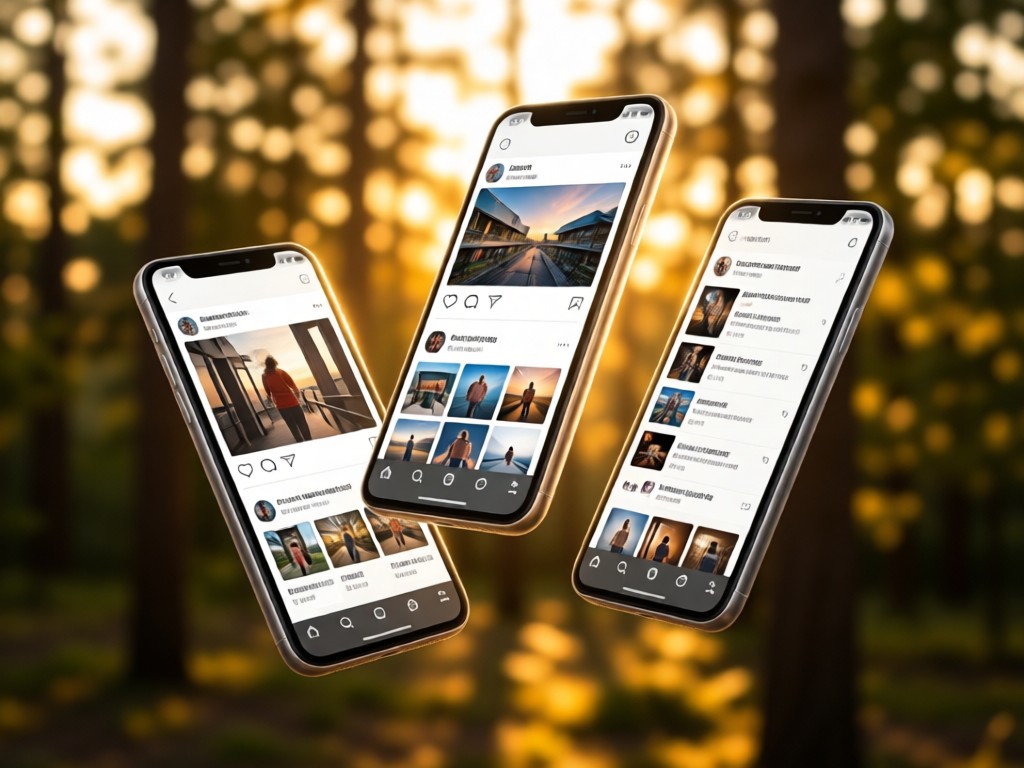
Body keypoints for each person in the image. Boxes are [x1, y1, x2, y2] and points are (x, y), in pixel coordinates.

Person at [262, 356, 312, 442]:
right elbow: (294, 386)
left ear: (266, 365)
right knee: (302, 423)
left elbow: (268, 391)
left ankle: (300, 441)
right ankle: (309, 440)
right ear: (275, 363)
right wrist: (298, 398)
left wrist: (272, 399)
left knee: (292, 425)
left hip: (281, 405)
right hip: (293, 402)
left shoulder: (264, 376)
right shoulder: (281, 372)